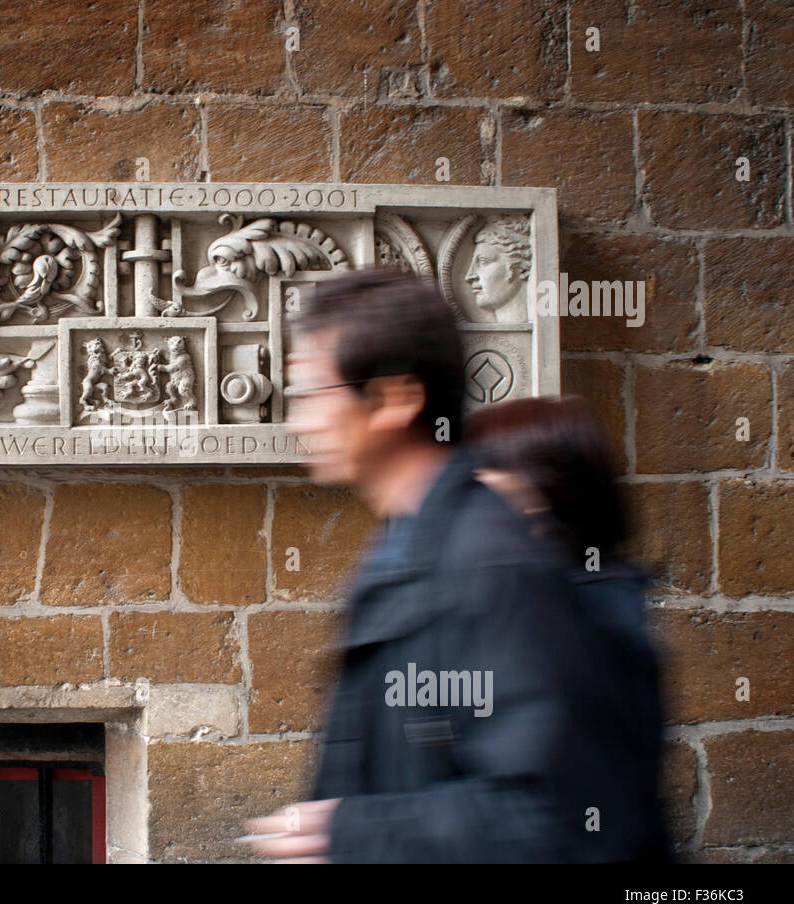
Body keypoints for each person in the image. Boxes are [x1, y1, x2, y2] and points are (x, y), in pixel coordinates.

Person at [245, 267, 665, 863]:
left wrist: (353, 834)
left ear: (395, 399)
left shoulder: (490, 564)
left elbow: (563, 815)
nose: (297, 422)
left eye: (314, 394)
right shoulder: (407, 549)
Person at [466, 396, 672, 863]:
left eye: (485, 496)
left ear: (544, 498)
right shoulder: (578, 598)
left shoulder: (585, 623)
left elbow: (558, 814)